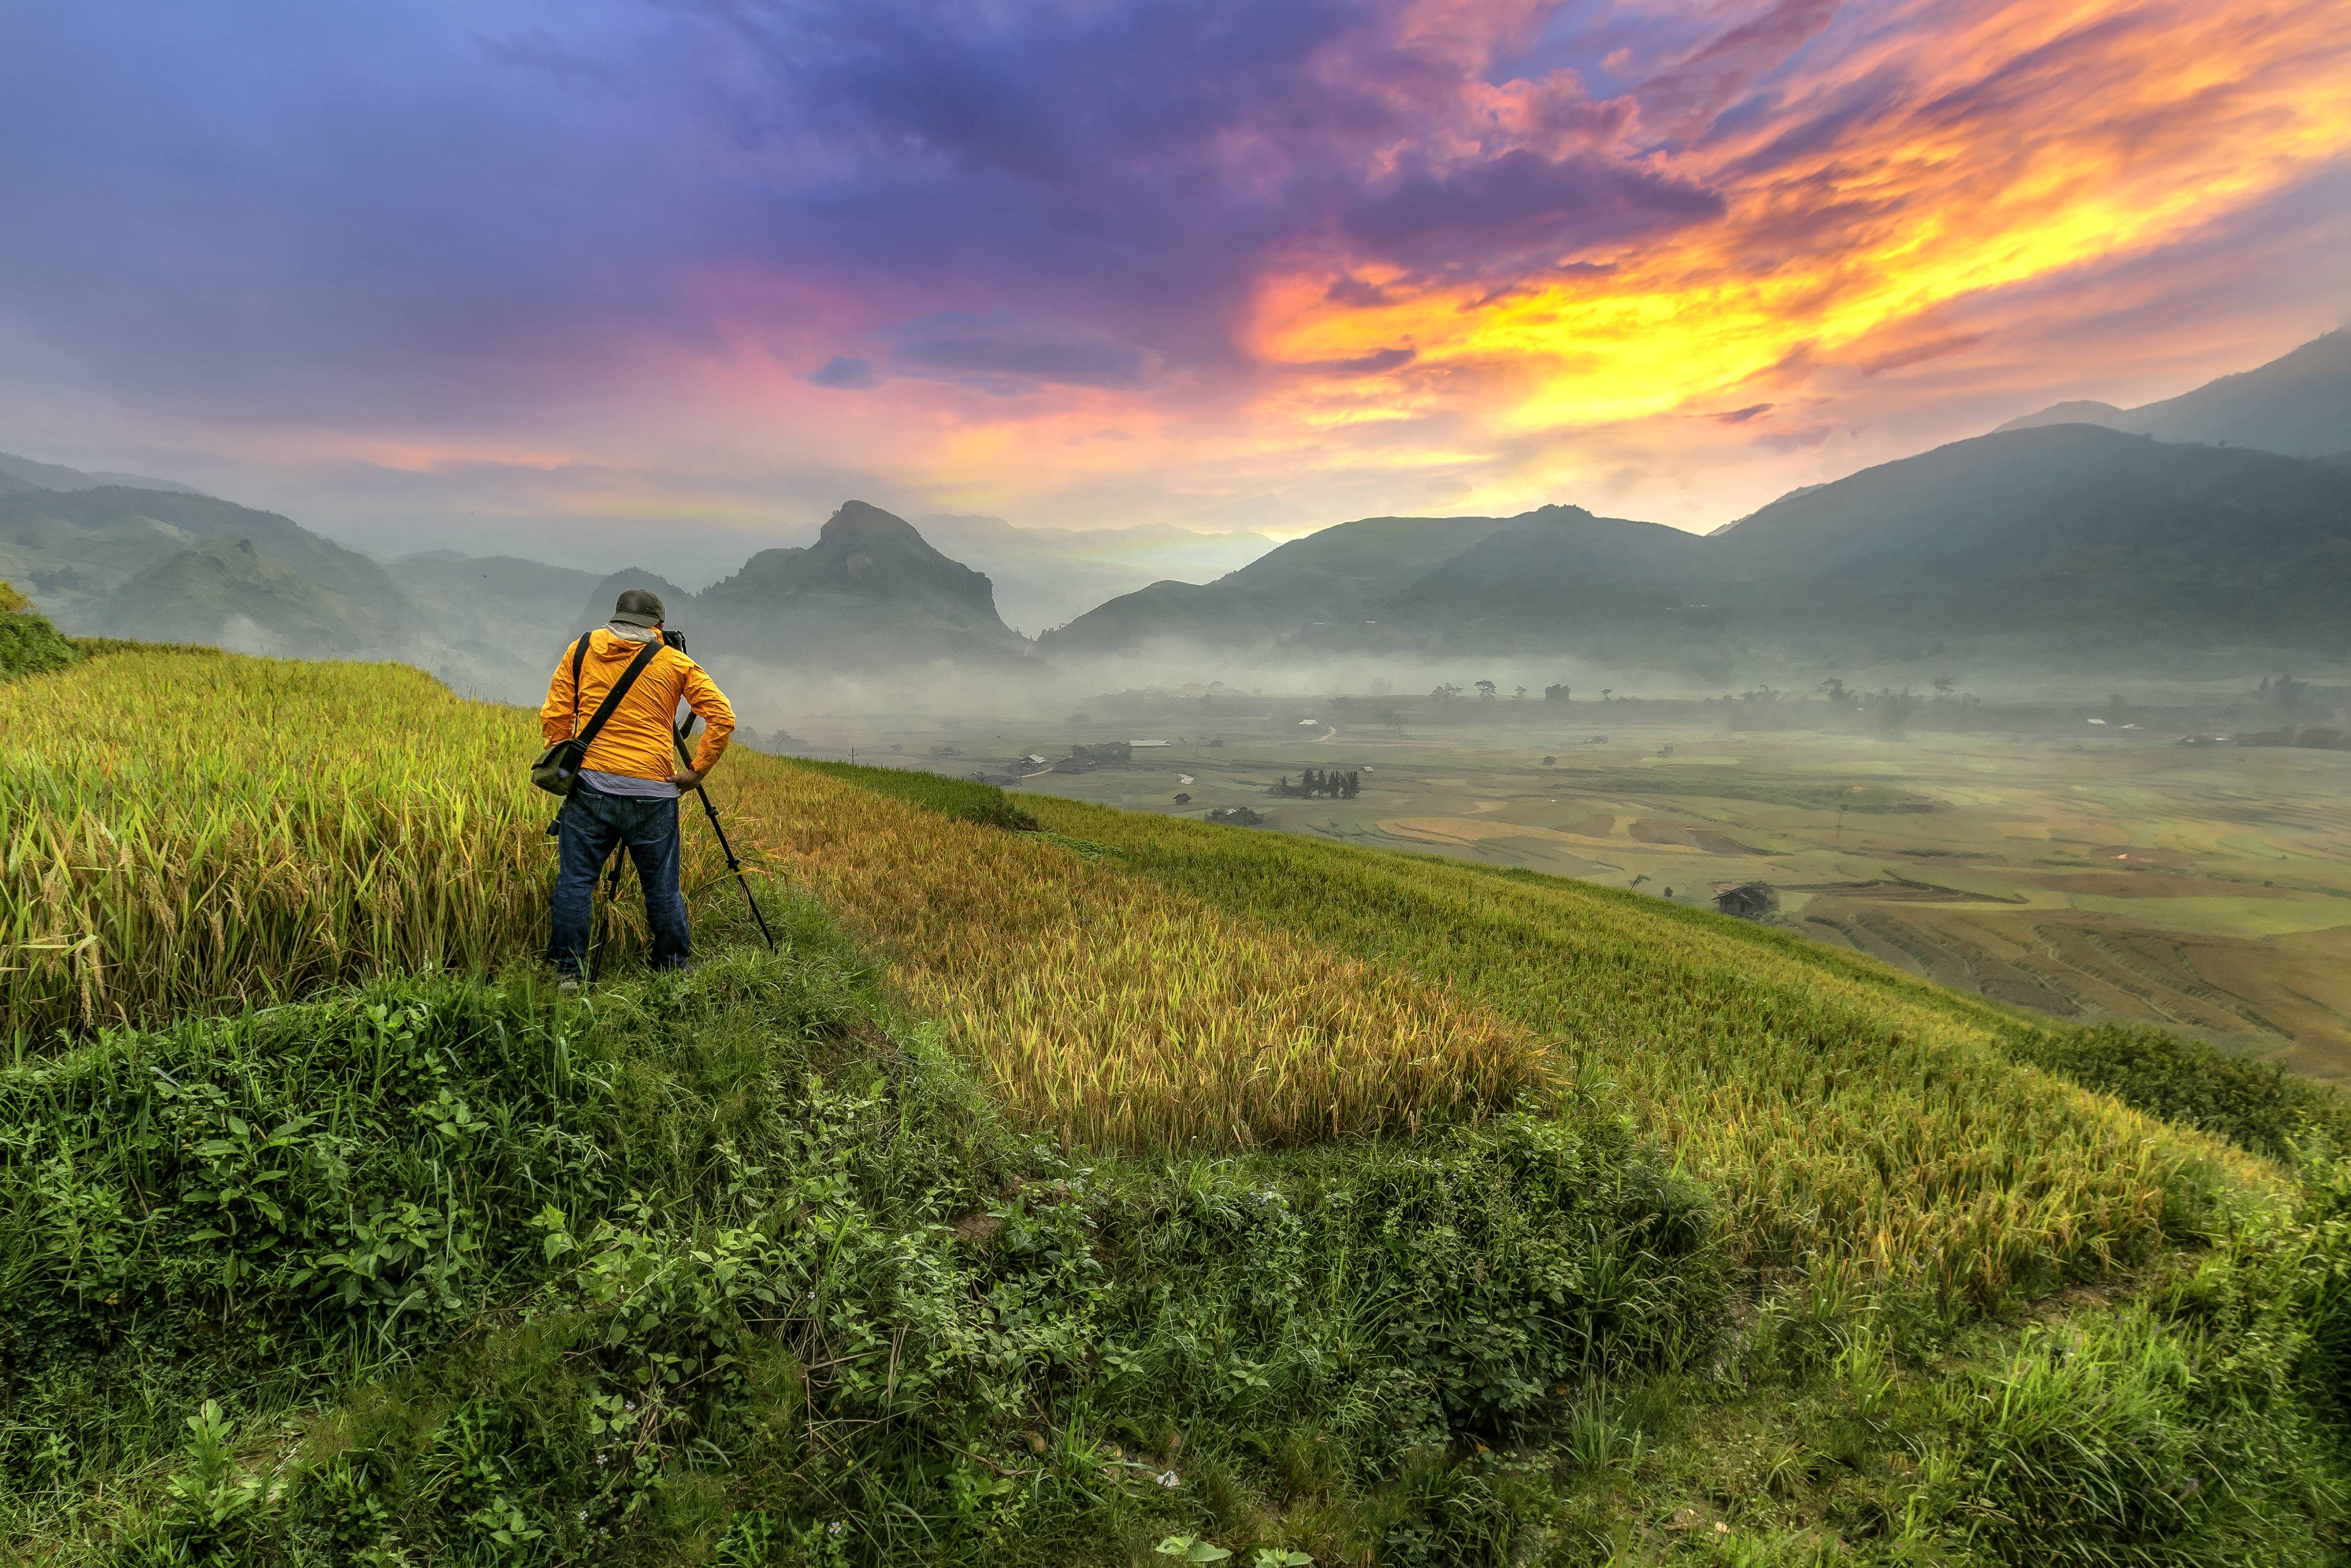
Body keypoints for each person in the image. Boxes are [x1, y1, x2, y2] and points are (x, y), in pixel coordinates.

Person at [540, 588, 735, 985]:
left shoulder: (580, 650)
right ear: (658, 626)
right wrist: (697, 771)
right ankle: (672, 968)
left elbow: (557, 715)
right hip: (654, 794)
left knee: (576, 882)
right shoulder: (676, 662)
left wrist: (566, 764)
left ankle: (567, 975)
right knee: (662, 886)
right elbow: (722, 716)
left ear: (615, 618)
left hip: (591, 787)